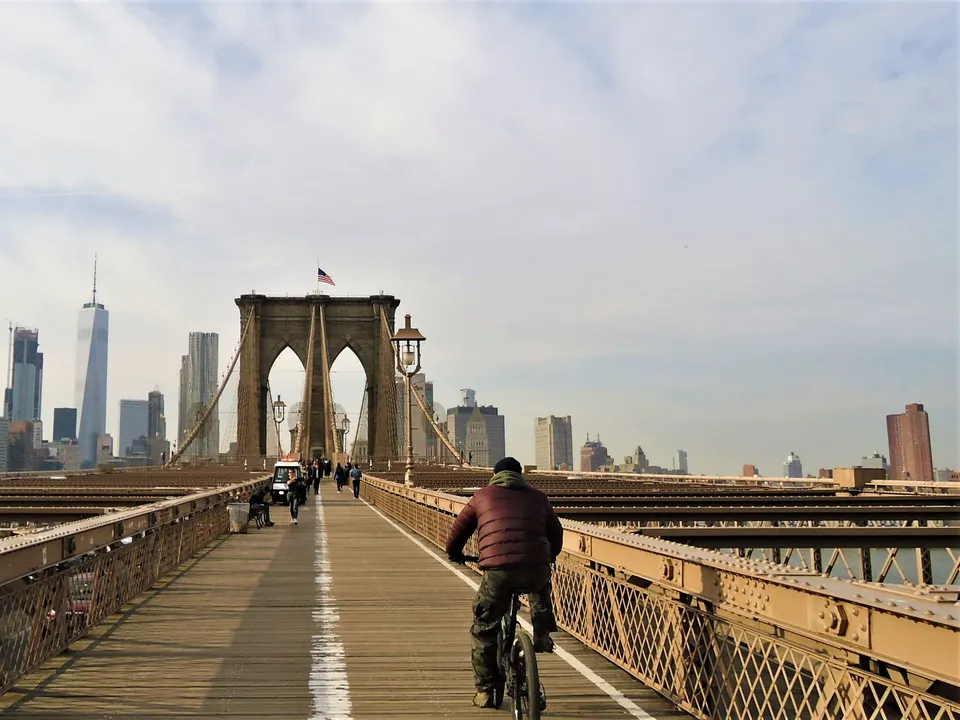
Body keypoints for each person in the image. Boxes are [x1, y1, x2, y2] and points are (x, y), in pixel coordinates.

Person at [445, 457, 563, 709]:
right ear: (520, 474)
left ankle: (485, 691)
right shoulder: (539, 497)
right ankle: (541, 635)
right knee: (540, 585)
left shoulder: (482, 496)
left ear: (494, 475)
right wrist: (550, 555)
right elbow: (556, 534)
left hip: (498, 571)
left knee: (484, 627)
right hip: (535, 567)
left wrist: (454, 552)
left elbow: (458, 531)